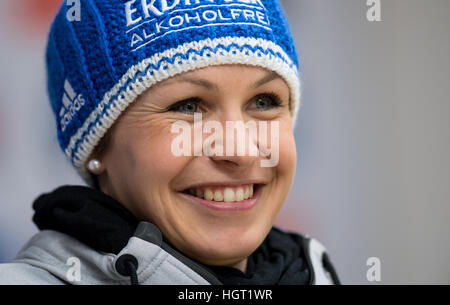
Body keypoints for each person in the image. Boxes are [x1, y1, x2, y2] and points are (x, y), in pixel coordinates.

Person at [0, 0, 340, 285]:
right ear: (97, 144)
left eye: (264, 102)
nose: (241, 151)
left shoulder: (315, 274)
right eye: (188, 107)